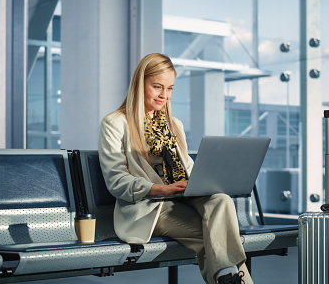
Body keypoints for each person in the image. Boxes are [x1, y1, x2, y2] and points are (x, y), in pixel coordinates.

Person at [98, 53, 252, 284]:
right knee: (217, 240)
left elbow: (186, 167)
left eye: (169, 88)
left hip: (182, 195)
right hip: (149, 206)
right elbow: (116, 181)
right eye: (157, 87)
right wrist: (163, 189)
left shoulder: (173, 124)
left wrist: (204, 180)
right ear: (140, 84)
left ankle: (224, 275)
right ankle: (228, 275)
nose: (164, 95)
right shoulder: (115, 123)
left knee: (221, 200)